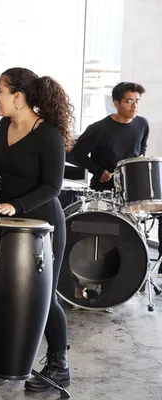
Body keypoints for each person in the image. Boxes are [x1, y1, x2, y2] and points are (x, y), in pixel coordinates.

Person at [0, 67, 74, 392]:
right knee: (7, 292)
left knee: (45, 298)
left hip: (42, 226)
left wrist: (17, 206)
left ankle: (59, 366)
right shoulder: (3, 125)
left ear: (18, 97)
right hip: (9, 223)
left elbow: (52, 186)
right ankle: (6, 359)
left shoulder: (47, 135)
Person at [69, 83, 159, 271]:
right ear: (116, 103)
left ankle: (154, 268)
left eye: (137, 101)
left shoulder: (142, 124)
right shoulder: (99, 128)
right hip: (104, 189)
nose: (135, 106)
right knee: (108, 232)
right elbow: (76, 154)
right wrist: (98, 170)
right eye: (129, 101)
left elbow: (141, 149)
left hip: (132, 189)